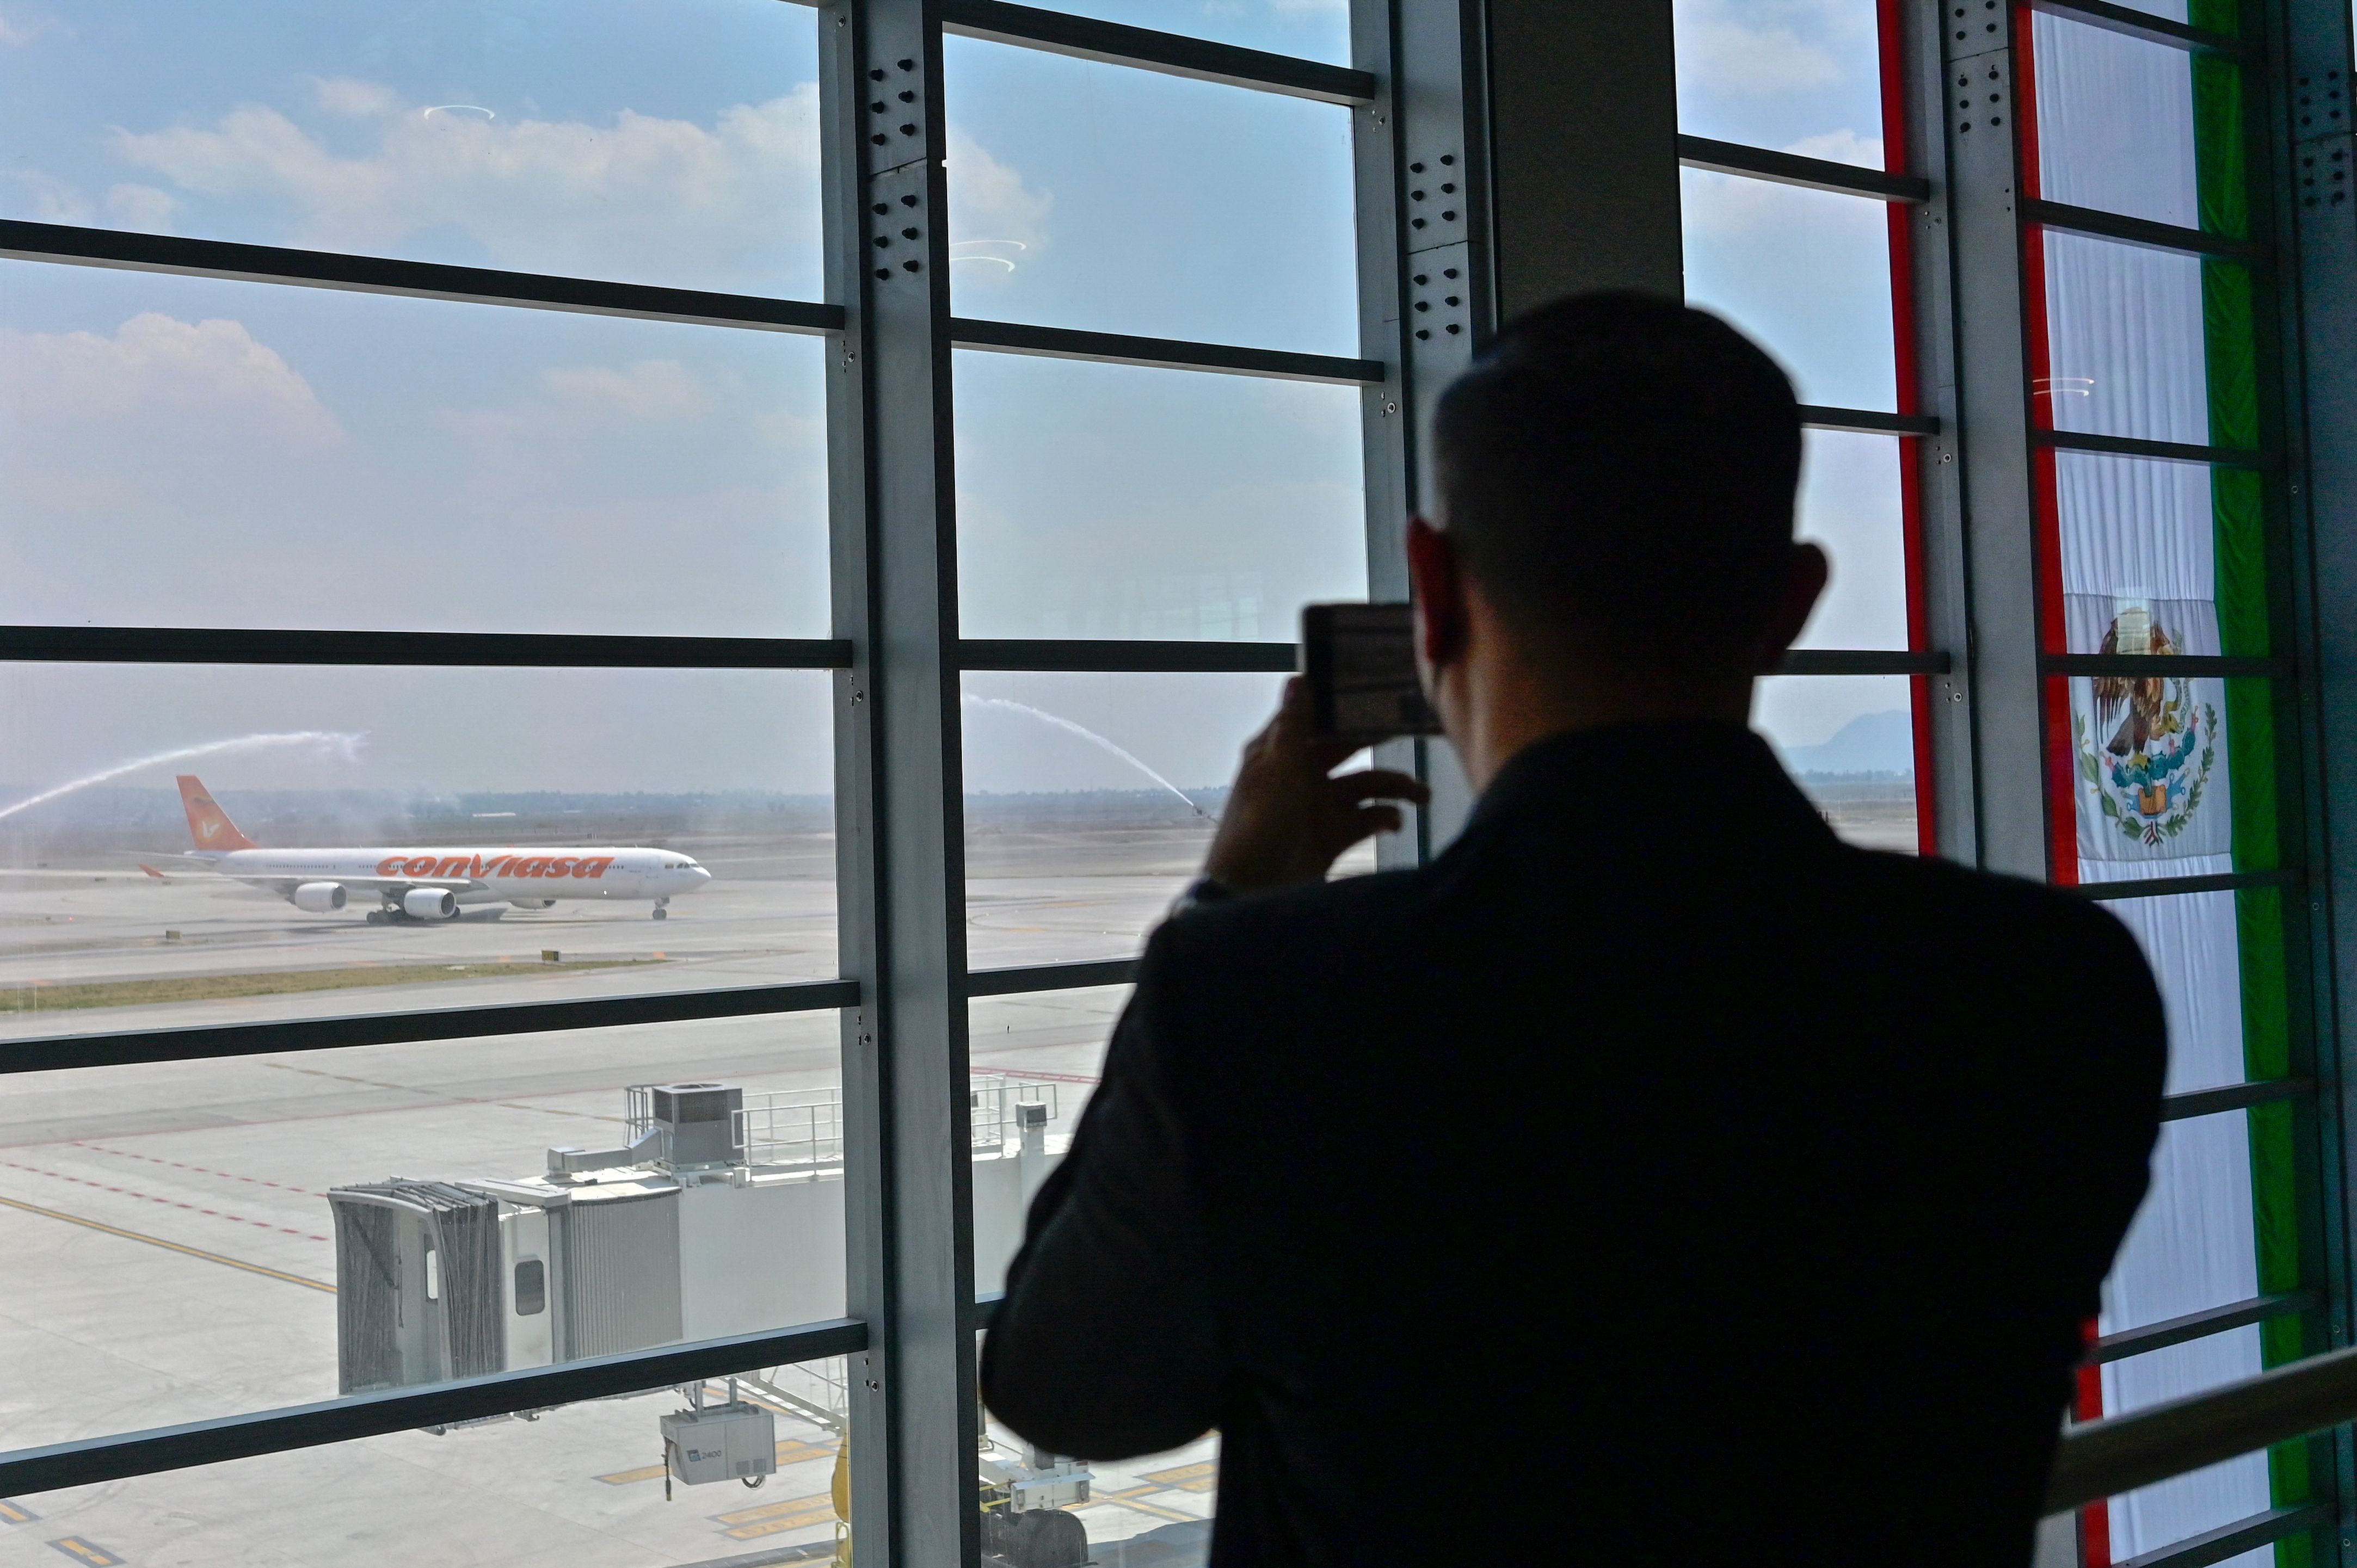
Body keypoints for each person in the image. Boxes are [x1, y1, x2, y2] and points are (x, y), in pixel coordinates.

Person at [981, 292, 2164, 1566]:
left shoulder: (1271, 1000)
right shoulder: (2051, 989)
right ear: (1792, 603)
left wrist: (1229, 903)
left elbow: (1068, 1389)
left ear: (1432, 593)